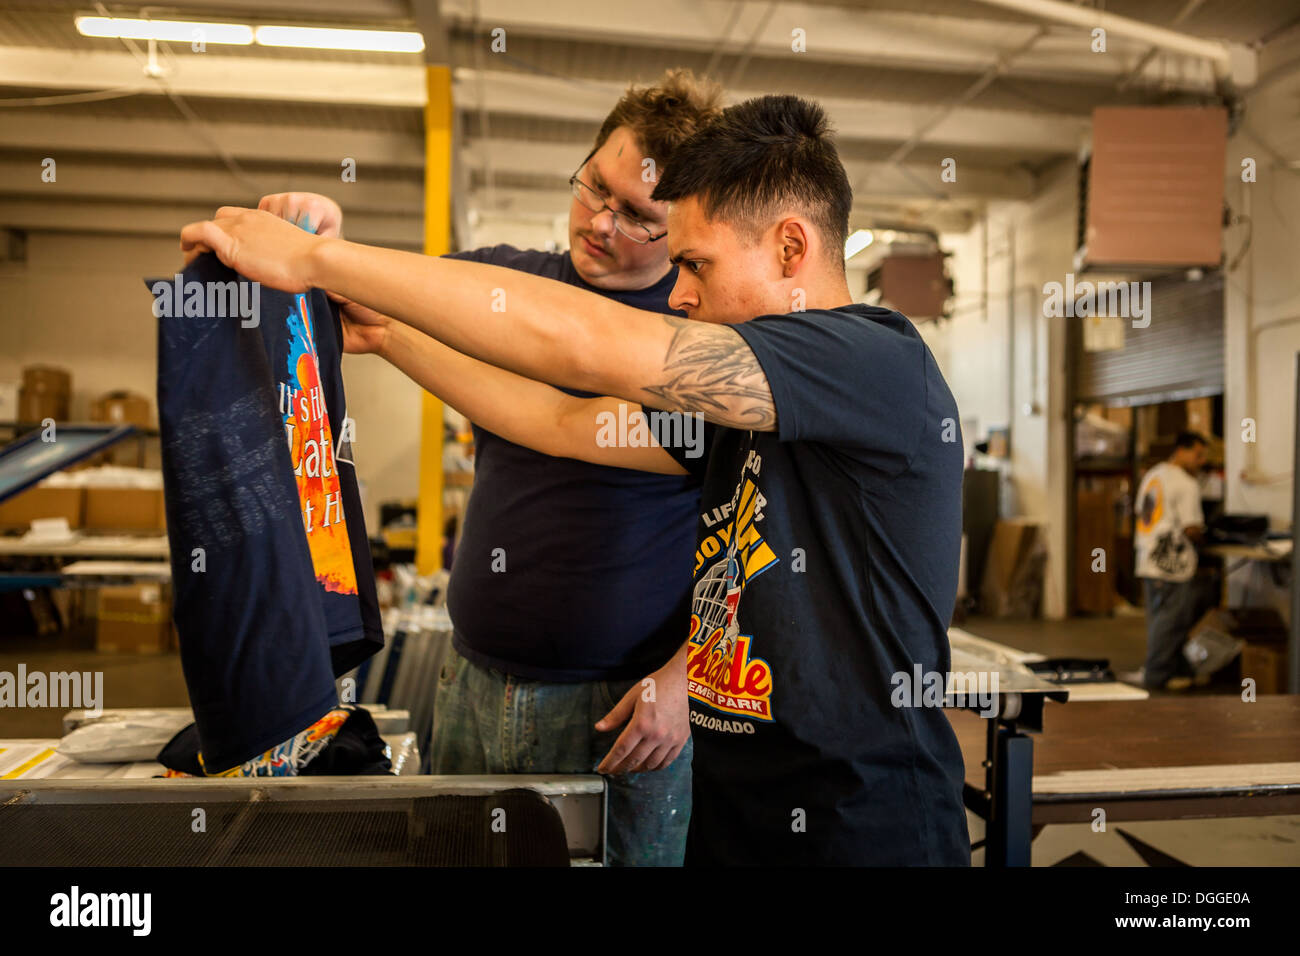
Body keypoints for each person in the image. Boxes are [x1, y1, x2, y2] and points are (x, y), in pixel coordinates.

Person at [181, 93, 972, 865]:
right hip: (740, 810)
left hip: (862, 823)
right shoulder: (744, 410)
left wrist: (318, 258)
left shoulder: (874, 363)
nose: (682, 291)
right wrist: (389, 336)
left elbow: (589, 345)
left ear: (792, 250)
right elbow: (562, 422)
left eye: (694, 262)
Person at [256, 68, 723, 866]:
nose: (600, 222)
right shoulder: (499, 283)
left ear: (681, 230)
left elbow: (756, 543)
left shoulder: (700, 349)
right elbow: (360, 293)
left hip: (624, 710)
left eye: (638, 217)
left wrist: (686, 680)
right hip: (472, 682)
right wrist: (320, 236)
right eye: (594, 187)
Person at [1134, 430, 1208, 691]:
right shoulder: (1186, 484)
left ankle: (1178, 669)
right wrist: (1206, 539)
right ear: (1182, 450)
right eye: (1198, 455)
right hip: (1173, 565)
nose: (1201, 462)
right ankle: (1155, 676)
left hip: (1147, 559)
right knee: (1170, 623)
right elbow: (1191, 528)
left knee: (1161, 621)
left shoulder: (1153, 475)